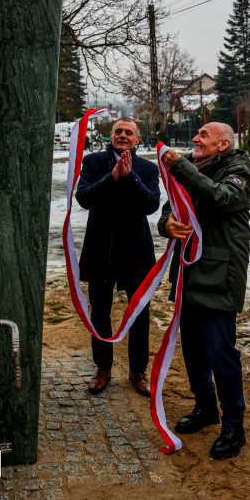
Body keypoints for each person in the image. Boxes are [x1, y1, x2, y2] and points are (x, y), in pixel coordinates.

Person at [158, 122, 250, 460]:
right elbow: (173, 205)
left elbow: (219, 197)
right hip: (189, 272)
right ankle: (205, 408)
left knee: (220, 354)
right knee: (195, 351)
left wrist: (179, 167)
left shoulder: (237, 169)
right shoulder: (193, 166)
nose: (195, 139)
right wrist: (166, 223)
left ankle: (233, 425)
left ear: (223, 144)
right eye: (196, 134)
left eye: (203, 136)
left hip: (220, 276)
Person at [76, 118, 160, 396]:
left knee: (139, 314)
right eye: (118, 131)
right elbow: (84, 197)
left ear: (138, 140)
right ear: (110, 135)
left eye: (129, 133)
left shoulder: (147, 168)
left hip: (136, 253)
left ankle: (138, 371)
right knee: (100, 311)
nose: (123, 135)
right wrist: (111, 177)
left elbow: (151, 204)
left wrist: (130, 176)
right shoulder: (93, 163)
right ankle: (103, 368)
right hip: (100, 250)